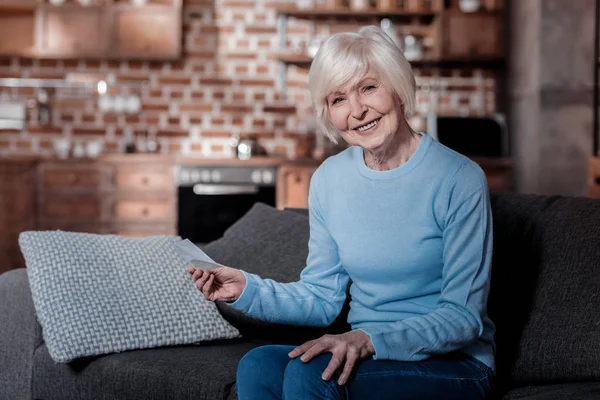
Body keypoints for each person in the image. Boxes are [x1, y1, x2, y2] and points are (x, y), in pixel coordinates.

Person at [189, 25, 496, 400]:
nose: (357, 111)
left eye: (368, 87)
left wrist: (368, 340)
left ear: (398, 86)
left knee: (315, 376)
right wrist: (246, 288)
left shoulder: (459, 178)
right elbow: (321, 299)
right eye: (338, 99)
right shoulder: (330, 179)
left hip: (455, 363)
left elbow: (462, 318)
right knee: (259, 365)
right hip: (364, 352)